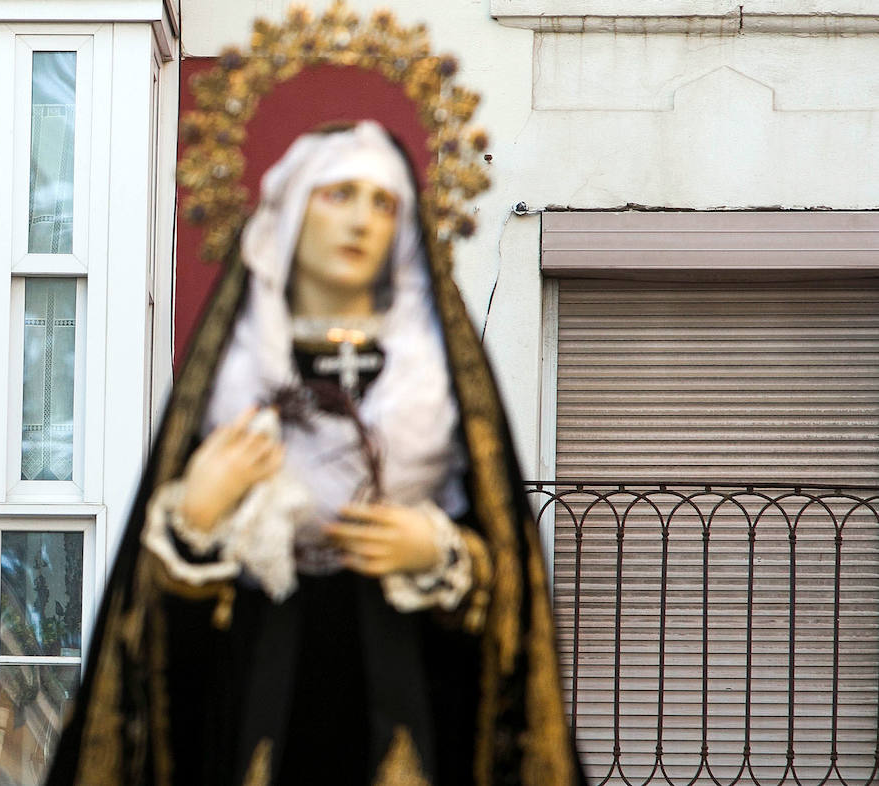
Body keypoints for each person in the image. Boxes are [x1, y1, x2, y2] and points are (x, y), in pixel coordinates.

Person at [44, 122, 584, 785]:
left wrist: (441, 557)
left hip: (406, 713)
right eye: (339, 194)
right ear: (293, 212)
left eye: (382, 202)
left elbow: (509, 625)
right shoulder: (230, 390)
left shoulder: (438, 389)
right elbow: (156, 659)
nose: (361, 219)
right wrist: (198, 522)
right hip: (256, 708)